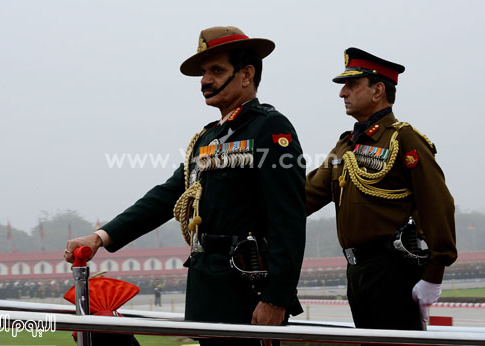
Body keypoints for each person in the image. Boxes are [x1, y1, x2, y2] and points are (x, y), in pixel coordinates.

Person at [65, 26, 306, 345]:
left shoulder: (270, 128)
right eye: (204, 73)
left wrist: (276, 299)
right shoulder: (208, 137)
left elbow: (288, 220)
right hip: (208, 287)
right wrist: (100, 236)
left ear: (246, 74)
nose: (205, 81)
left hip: (247, 289)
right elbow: (167, 196)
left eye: (217, 71)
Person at [305, 47, 457, 331]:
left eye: (351, 85)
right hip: (357, 271)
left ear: (377, 91)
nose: (342, 93)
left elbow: (437, 203)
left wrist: (435, 271)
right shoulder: (347, 144)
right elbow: (307, 195)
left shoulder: (403, 139)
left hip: (394, 269)